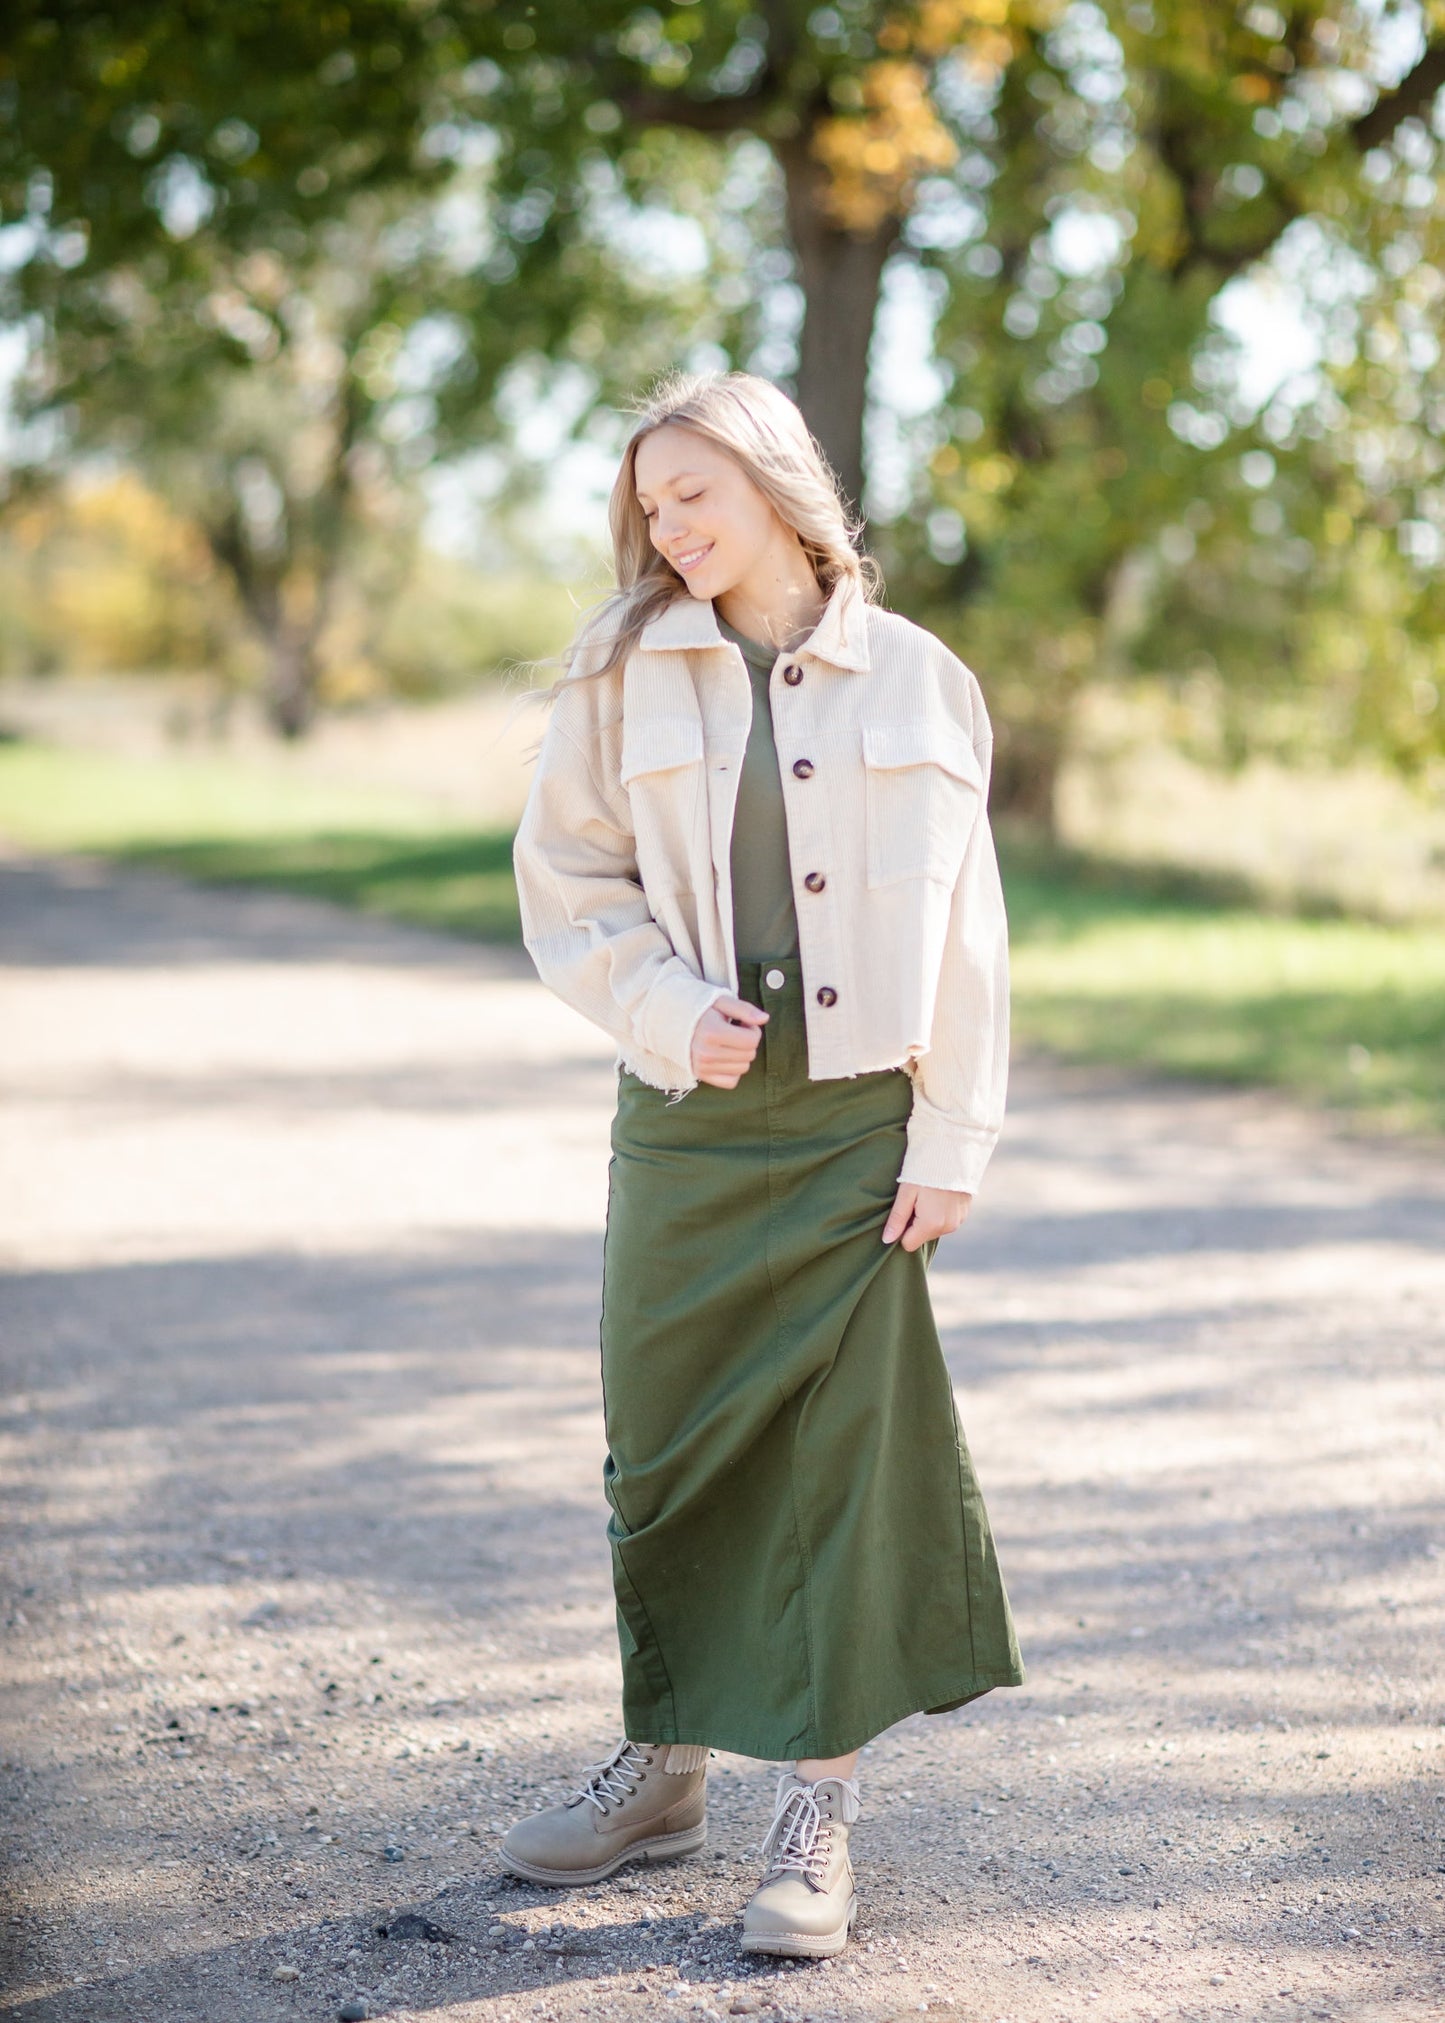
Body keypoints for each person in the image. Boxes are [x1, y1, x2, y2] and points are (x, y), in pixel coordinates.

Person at [506, 370, 1023, 1959]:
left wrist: (950, 1134)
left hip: (856, 1129)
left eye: (690, 494)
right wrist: (664, 1009)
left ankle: (815, 1816)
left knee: (836, 1472)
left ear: (776, 482)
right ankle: (661, 1768)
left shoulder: (923, 682)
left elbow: (966, 934)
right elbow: (566, 884)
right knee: (658, 1448)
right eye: (646, 505)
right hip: (687, 1118)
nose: (666, 528)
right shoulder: (616, 671)